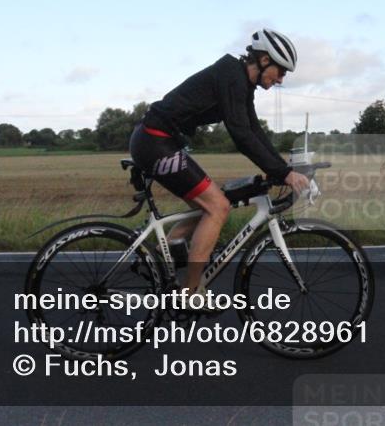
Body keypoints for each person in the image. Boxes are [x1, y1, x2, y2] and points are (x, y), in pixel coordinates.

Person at [129, 28, 310, 298]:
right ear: (263, 60)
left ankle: (156, 262)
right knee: (218, 207)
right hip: (156, 141)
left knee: (205, 208)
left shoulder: (240, 82)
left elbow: (253, 130)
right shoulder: (232, 77)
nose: (281, 79)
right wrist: (283, 173)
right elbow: (240, 134)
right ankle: (190, 292)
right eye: (280, 71)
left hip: (157, 140)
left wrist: (284, 169)